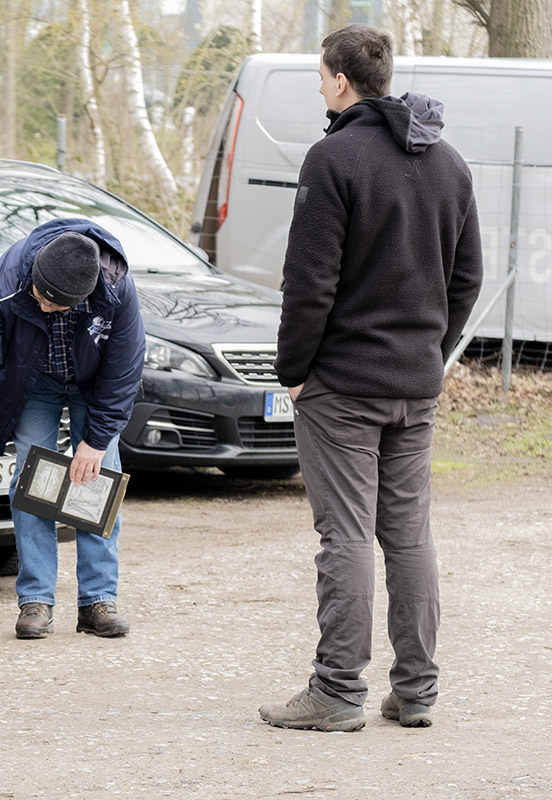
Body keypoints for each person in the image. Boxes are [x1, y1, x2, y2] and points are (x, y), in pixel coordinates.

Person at [259, 25, 483, 733]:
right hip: (415, 386)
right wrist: (430, 352)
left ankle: (336, 692)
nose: (320, 85)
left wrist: (293, 370)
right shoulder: (449, 162)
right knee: (410, 538)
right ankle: (415, 691)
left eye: (320, 76)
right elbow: (467, 278)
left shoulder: (333, 159)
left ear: (338, 81)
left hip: (342, 388)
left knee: (347, 537)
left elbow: (309, 283)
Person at [0, 220, 145, 640]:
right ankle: (35, 598)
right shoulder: (8, 276)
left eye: (54, 305)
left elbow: (125, 369)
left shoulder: (117, 290)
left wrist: (96, 440)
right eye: (38, 297)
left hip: (95, 385)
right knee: (32, 481)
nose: (42, 306)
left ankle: (97, 601)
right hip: (35, 381)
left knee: (98, 480)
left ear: (83, 297)